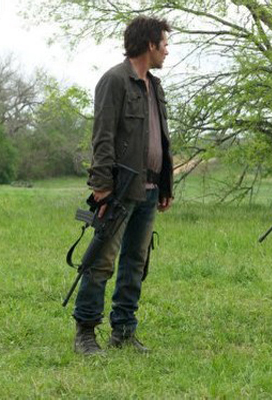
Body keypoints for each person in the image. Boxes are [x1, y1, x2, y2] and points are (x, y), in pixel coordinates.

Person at [72, 15, 174, 355]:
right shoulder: (113, 80)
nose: (167, 51)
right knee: (101, 261)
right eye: (164, 44)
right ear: (150, 44)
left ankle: (124, 331)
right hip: (119, 189)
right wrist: (102, 187)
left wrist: (165, 184)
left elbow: (161, 138)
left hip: (150, 188)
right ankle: (86, 332)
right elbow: (102, 138)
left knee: (136, 263)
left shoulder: (155, 86)